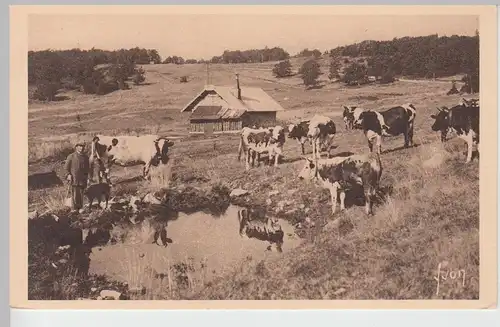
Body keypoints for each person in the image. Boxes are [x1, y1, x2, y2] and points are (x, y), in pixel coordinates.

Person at [64, 142, 90, 213]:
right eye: (80, 146)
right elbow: (66, 167)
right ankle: (74, 208)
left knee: (81, 193)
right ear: (76, 147)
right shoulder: (71, 156)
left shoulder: (85, 157)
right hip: (74, 178)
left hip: (83, 178)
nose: (81, 148)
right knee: (74, 193)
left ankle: (80, 207)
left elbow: (87, 169)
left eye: (82, 146)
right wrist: (68, 174)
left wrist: (88, 178)